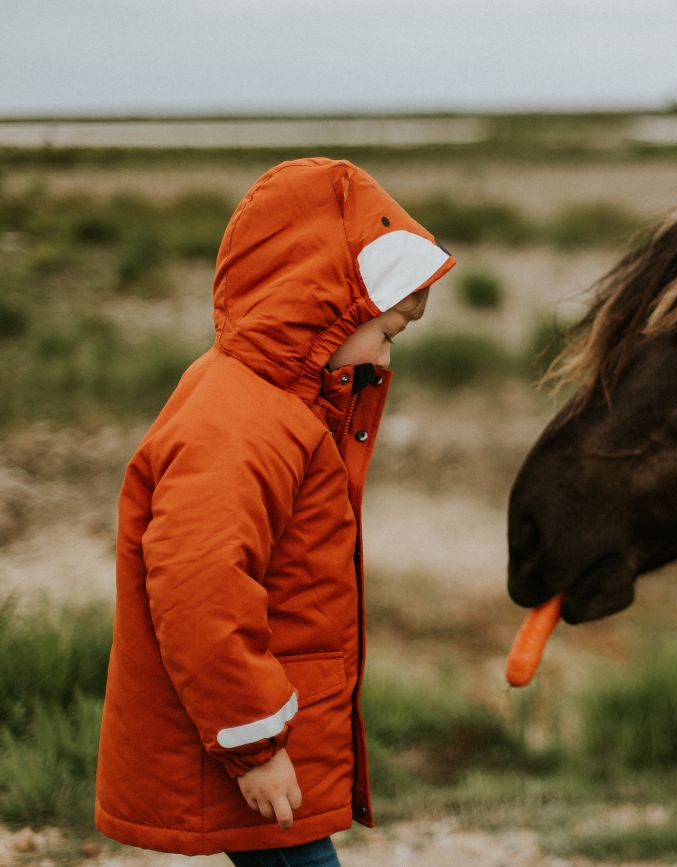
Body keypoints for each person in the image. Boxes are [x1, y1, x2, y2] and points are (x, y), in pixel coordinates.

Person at [93, 158, 455, 866]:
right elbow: (200, 588)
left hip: (261, 726)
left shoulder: (280, 406)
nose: (386, 357)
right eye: (387, 331)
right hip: (246, 737)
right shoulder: (241, 421)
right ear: (325, 305)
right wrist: (254, 745)